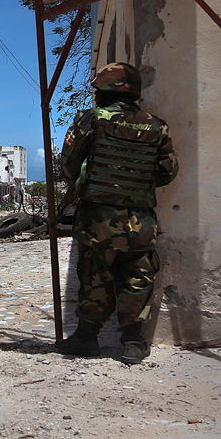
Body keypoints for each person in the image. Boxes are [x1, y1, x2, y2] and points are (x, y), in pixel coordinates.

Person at [57, 62, 178, 364]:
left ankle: (87, 338)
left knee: (95, 276)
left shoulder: (92, 120)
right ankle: (134, 342)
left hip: (98, 221)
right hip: (140, 220)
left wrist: (89, 181)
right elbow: (167, 172)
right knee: (138, 277)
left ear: (103, 93)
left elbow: (69, 164)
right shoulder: (156, 126)